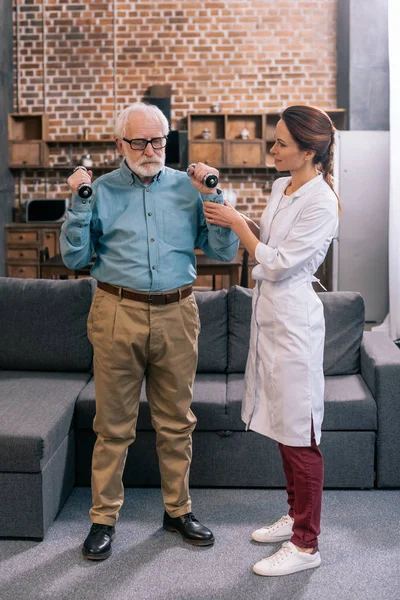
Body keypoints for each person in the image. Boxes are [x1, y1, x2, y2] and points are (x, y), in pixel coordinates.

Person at [60, 102, 239, 560]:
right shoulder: (97, 191)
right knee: (113, 426)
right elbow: (76, 260)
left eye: (157, 141)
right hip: (117, 312)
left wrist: (215, 197)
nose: (150, 150)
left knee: (177, 422)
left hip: (178, 313)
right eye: (138, 142)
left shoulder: (187, 188)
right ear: (120, 144)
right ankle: (103, 519)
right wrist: (77, 203)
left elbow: (223, 249)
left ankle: (177, 510)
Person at [203, 105, 340, 577]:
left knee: (302, 433)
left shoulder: (322, 201)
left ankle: (307, 544)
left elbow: (280, 263)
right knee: (284, 427)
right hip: (271, 318)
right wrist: (240, 219)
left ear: (308, 150)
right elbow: (271, 241)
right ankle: (294, 515)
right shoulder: (284, 185)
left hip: (295, 322)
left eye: (281, 143)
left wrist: (238, 225)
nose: (273, 149)